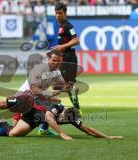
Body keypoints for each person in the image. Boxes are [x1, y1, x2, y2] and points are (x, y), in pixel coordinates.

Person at [0, 95, 124, 140]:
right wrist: (62, 133)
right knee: (14, 133)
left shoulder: (72, 116)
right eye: (65, 118)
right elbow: (48, 116)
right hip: (31, 114)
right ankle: (2, 124)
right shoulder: (58, 108)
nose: (65, 120)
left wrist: (108, 137)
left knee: (16, 134)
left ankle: (43, 130)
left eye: (68, 120)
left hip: (40, 119)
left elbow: (87, 129)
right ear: (64, 112)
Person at [37, 2, 82, 136]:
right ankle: (75, 108)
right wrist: (55, 51)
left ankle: (76, 108)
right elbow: (63, 45)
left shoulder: (68, 26)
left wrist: (61, 48)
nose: (57, 15)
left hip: (69, 61)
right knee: (59, 88)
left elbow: (76, 40)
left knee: (58, 88)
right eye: (56, 13)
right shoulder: (61, 26)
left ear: (65, 13)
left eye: (60, 13)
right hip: (63, 60)